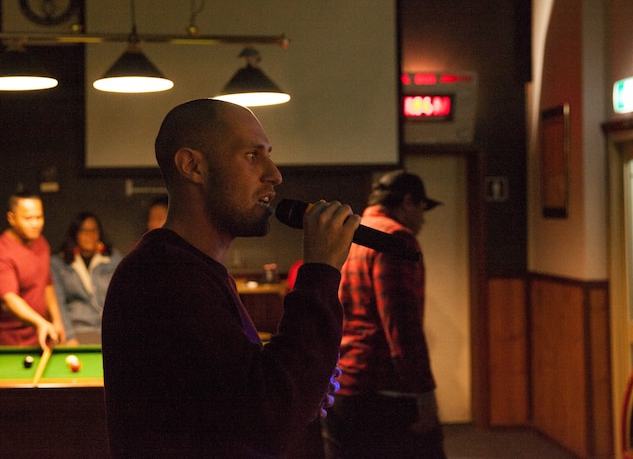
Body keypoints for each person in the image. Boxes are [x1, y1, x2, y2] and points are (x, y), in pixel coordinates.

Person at [101, 98, 360, 458]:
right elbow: (267, 416)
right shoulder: (164, 276)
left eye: (268, 154)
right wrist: (320, 270)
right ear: (193, 166)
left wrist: (303, 382)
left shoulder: (189, 269)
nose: (274, 173)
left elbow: (237, 400)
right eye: (252, 156)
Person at [322, 171, 446, 459]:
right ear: (407, 202)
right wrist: (425, 394)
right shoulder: (395, 238)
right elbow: (401, 323)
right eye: (422, 208)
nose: (423, 219)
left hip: (343, 384)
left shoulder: (353, 233)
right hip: (384, 392)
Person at [0, 189, 66, 350]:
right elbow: (9, 301)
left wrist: (57, 321)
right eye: (28, 218)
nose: (35, 224)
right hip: (5, 344)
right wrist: (40, 322)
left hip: (38, 338)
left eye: (39, 217)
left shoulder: (41, 244)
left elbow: (46, 284)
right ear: (11, 218)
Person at [50, 211, 123, 345]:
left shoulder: (113, 259)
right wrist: (69, 336)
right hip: (78, 332)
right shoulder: (59, 263)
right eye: (84, 231)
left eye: (93, 230)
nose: (90, 235)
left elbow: (122, 299)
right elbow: (59, 303)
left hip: (108, 332)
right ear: (75, 234)